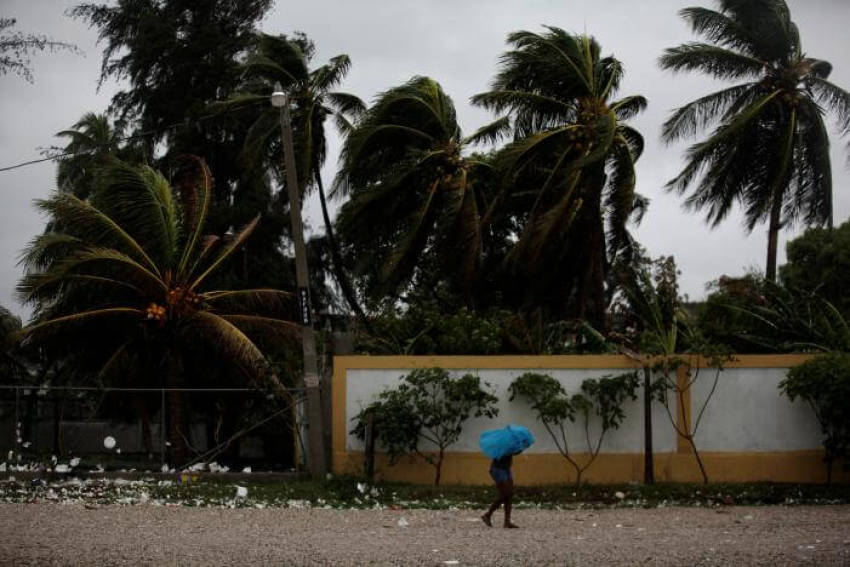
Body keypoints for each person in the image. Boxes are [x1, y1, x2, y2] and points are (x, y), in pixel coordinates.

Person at [481, 452, 519, 528]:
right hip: (498, 469)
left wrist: (519, 449)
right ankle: (487, 515)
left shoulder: (510, 443)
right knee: (505, 494)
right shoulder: (502, 445)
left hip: (506, 468)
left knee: (509, 494)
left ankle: (507, 521)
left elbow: (514, 452)